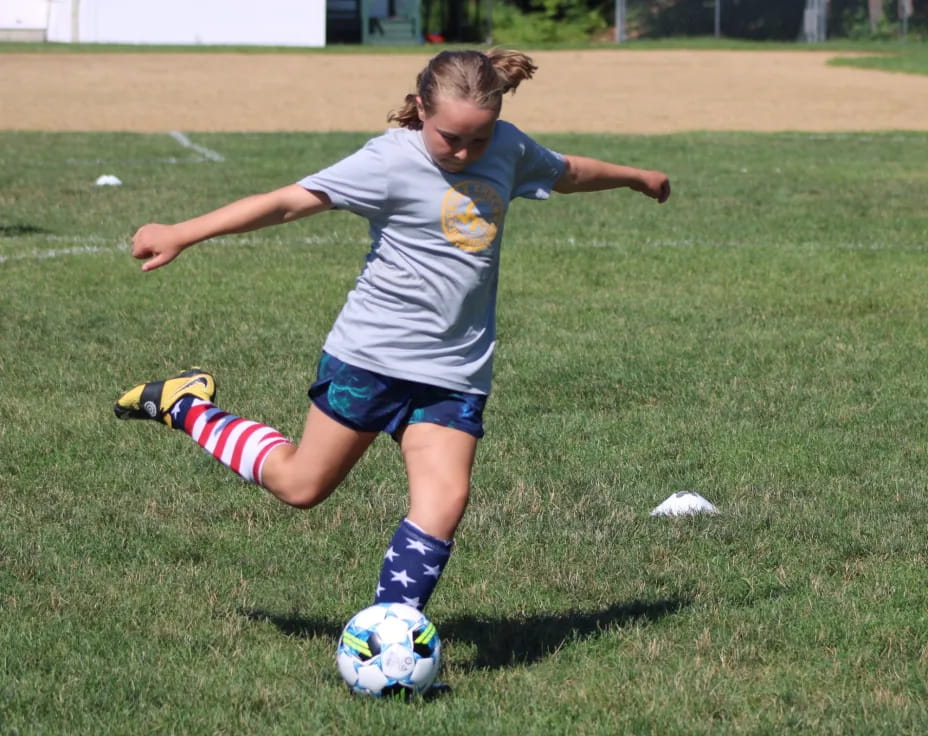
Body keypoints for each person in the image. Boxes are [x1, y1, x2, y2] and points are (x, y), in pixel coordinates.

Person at [114, 48, 670, 612]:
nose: (464, 152)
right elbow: (285, 204)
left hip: (456, 368)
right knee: (301, 487)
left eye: (478, 139)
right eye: (451, 138)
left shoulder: (507, 147)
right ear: (421, 109)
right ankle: (186, 405)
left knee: (445, 501)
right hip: (372, 357)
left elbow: (566, 171)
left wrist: (636, 177)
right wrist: (182, 232)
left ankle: (392, 634)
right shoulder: (387, 161)